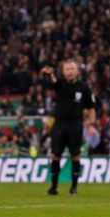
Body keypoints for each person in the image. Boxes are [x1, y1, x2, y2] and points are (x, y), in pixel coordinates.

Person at [40, 60, 96, 196]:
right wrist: (50, 73)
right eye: (67, 69)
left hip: (76, 124)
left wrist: (91, 125)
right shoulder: (59, 84)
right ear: (63, 72)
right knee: (55, 155)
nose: (70, 71)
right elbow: (52, 81)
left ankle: (74, 188)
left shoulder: (84, 88)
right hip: (59, 124)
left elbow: (91, 108)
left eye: (72, 69)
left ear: (77, 71)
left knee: (75, 155)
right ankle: (53, 187)